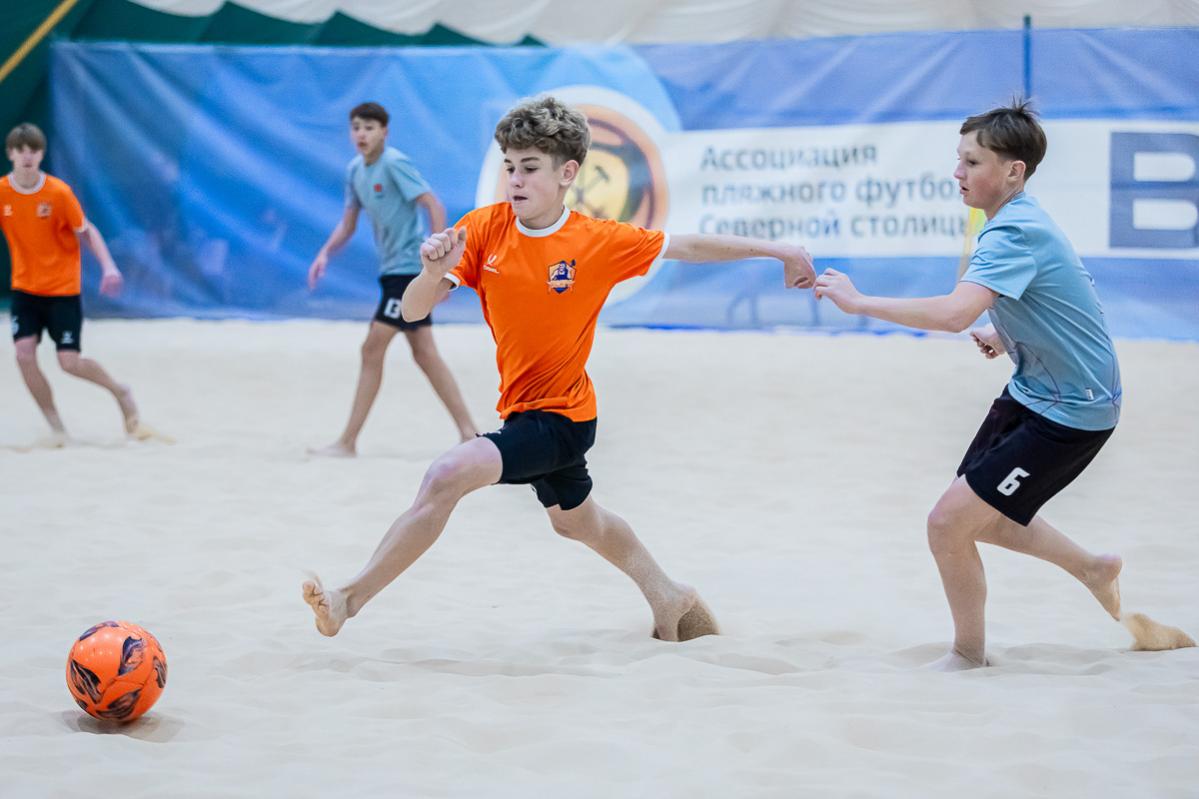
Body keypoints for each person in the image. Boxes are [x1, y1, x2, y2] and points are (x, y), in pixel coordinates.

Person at [303, 95, 816, 641]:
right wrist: (431, 274)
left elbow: (689, 246)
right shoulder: (483, 229)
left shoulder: (598, 241)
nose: (515, 180)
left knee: (446, 475)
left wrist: (779, 251)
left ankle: (347, 601)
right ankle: (670, 596)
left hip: (564, 418)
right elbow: (412, 311)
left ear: (567, 173)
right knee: (577, 521)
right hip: (522, 410)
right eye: (509, 167)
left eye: (530, 168)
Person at [813, 100, 1124, 670]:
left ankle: (967, 655)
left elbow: (955, 313)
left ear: (1014, 171)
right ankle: (1092, 568)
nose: (957, 172)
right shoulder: (1018, 219)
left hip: (1071, 411)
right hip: (1034, 391)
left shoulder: (1015, 230)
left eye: (972, 162)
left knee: (947, 524)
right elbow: (1068, 298)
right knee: (983, 518)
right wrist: (1007, 333)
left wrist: (859, 302)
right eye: (959, 159)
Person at [307, 102, 477, 456]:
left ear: (384, 132)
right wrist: (324, 254)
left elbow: (434, 205)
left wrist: (439, 268)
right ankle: (469, 433)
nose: (361, 134)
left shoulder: (395, 163)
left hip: (409, 270)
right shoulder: (355, 170)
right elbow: (348, 224)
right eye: (356, 127)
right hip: (392, 271)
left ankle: (347, 442)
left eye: (369, 127)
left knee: (372, 347)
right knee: (424, 353)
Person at [2, 123, 143, 442]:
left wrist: (108, 267)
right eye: (21, 150)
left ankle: (120, 391)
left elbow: (87, 231)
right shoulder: (3, 192)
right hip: (25, 287)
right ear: (10, 154)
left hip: (61, 289)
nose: (27, 156)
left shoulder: (58, 193)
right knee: (23, 355)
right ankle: (56, 428)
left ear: (41, 154)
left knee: (69, 363)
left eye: (33, 150)